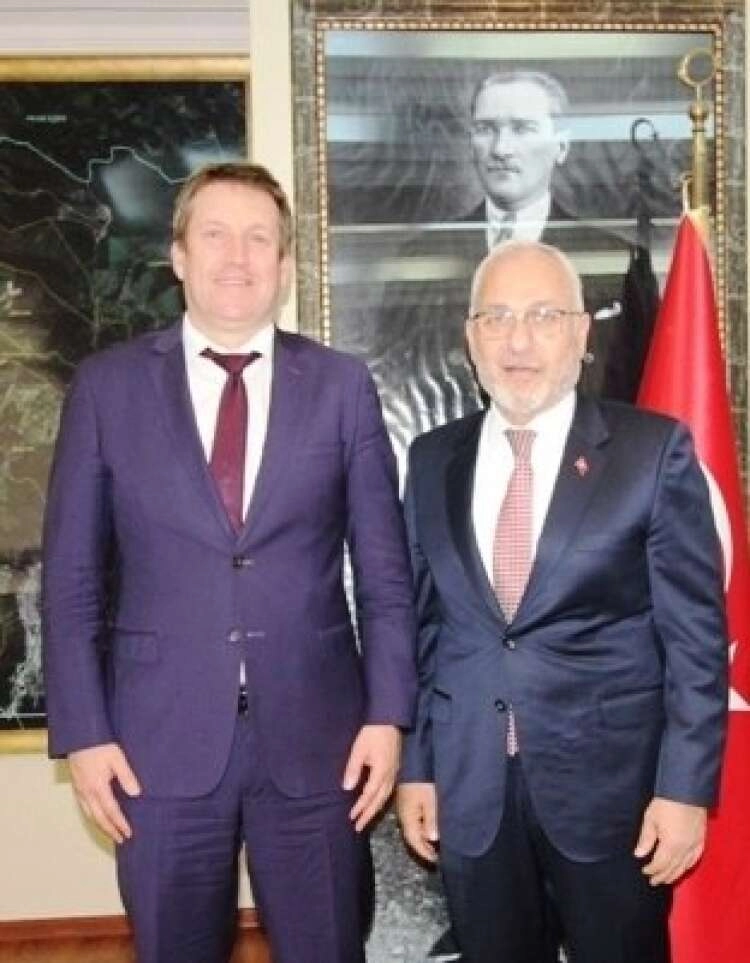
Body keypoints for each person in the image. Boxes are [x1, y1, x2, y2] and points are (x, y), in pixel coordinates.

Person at [42, 161, 417, 963]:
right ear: (178, 255)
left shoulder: (342, 388)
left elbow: (385, 573)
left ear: (284, 264)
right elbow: (70, 581)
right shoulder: (107, 389)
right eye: (214, 234)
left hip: (320, 744)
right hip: (154, 748)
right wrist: (84, 733)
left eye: (258, 238)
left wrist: (387, 715)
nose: (236, 257)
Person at [396, 239, 728, 963]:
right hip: (472, 789)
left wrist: (684, 790)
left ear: (581, 334)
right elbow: (424, 631)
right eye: (497, 317)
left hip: (613, 797)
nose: (518, 340)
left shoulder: (651, 452)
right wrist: (416, 767)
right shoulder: (430, 460)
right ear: (471, 338)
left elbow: (696, 642)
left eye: (544, 316)